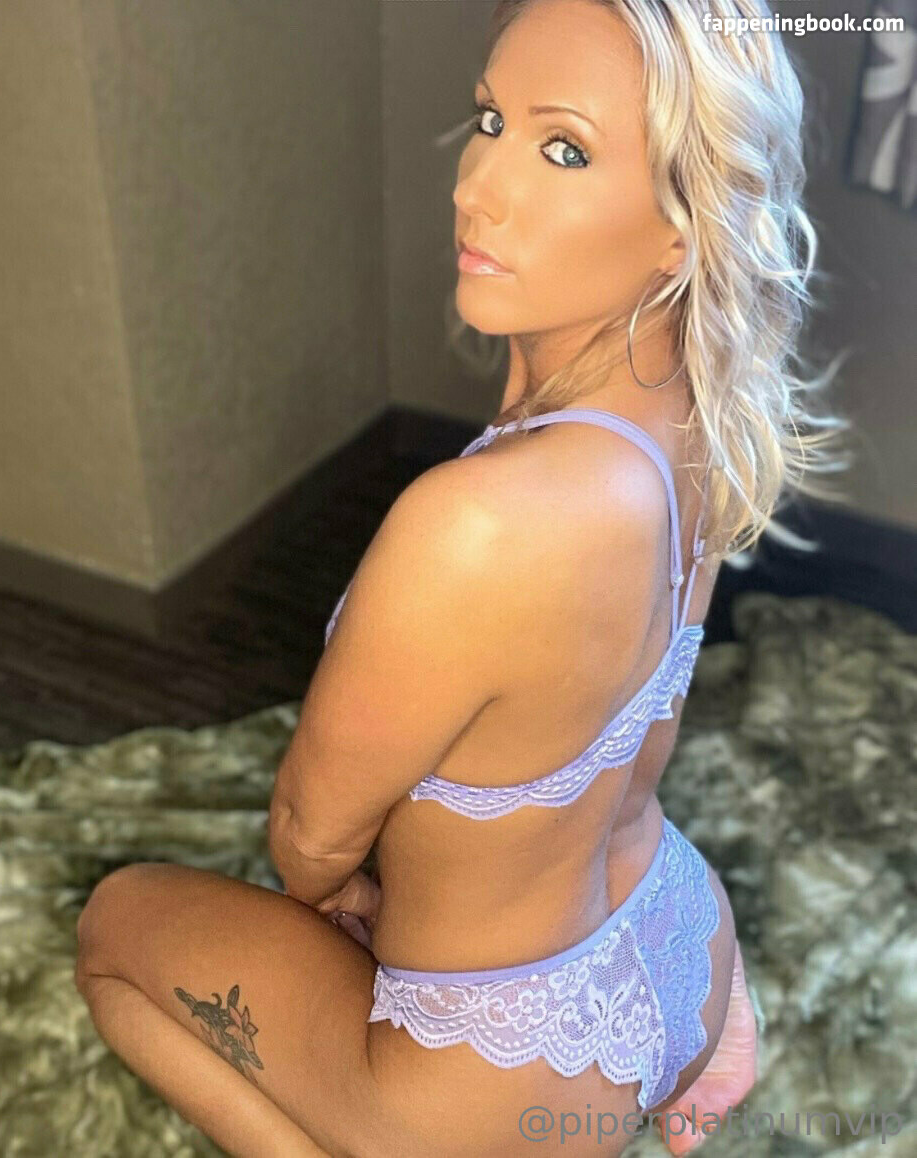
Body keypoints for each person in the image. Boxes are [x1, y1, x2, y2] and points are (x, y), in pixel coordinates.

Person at [74, 2, 849, 1155]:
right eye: (490, 121)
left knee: (114, 926)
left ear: (682, 228)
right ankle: (692, 1058)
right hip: (681, 948)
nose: (476, 186)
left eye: (563, 148)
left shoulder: (476, 526)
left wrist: (339, 899)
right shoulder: (701, 414)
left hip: (499, 1088)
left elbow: (307, 838)